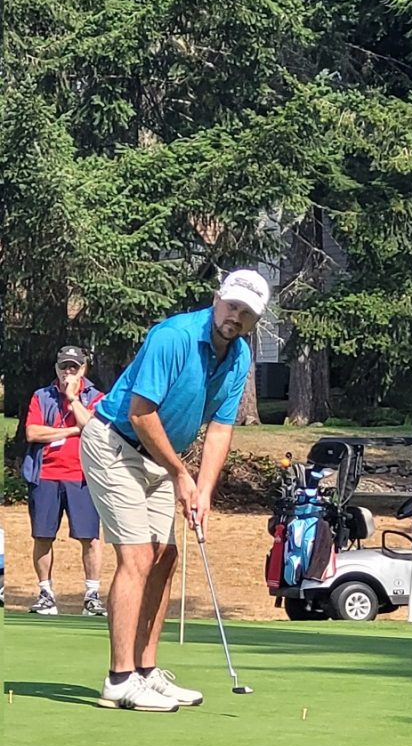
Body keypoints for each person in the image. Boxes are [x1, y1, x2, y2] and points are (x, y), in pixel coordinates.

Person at [79, 269, 270, 711]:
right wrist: (181, 474)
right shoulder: (174, 336)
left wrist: (203, 490)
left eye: (246, 314)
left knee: (165, 557)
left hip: (160, 458)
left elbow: (221, 430)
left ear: (255, 321)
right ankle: (119, 679)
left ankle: (146, 671)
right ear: (217, 298)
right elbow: (142, 413)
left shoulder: (239, 357)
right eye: (232, 306)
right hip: (115, 442)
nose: (235, 317)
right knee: (138, 556)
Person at [22, 346, 107, 617]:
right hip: (44, 476)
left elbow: (93, 428)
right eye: (63, 367)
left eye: (74, 367)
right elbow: (32, 433)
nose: (68, 372)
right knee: (43, 536)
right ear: (56, 369)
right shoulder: (41, 396)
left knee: (90, 538)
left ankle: (92, 596)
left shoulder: (96, 397)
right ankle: (46, 594)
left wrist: (73, 400)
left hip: (82, 477)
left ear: (83, 369)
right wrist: (72, 430)